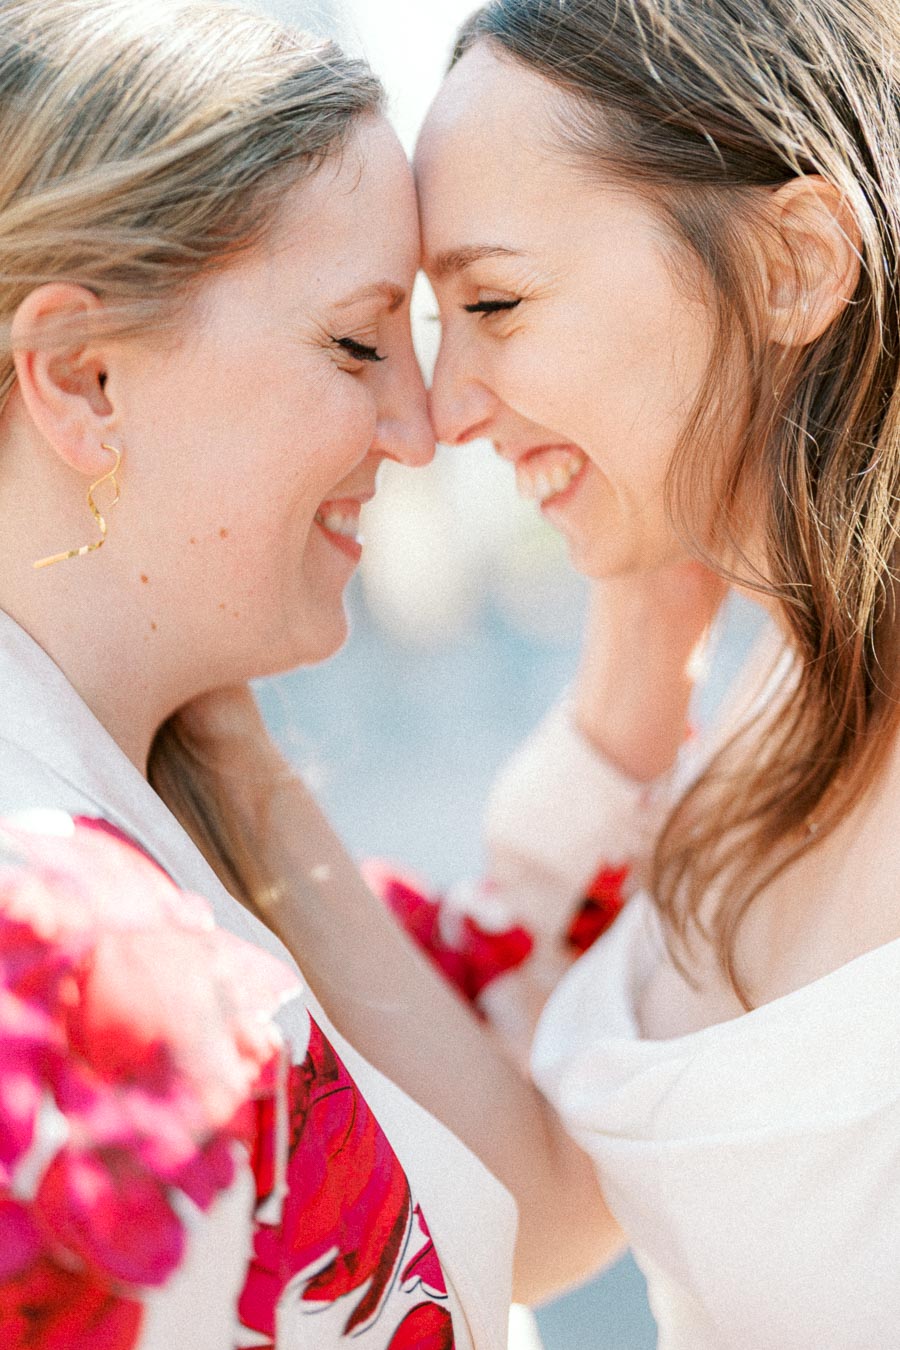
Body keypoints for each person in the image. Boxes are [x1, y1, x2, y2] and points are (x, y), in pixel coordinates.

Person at [184, 0, 900, 1345]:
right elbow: (555, 1208)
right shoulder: (774, 703)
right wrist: (226, 744)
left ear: (796, 265)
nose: (443, 411)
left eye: (496, 302)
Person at [0, 1, 567, 1343]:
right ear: (83, 379)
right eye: (360, 343)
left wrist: (224, 735)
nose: (422, 428)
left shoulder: (137, 805)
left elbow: (530, 1206)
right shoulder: (73, 958)